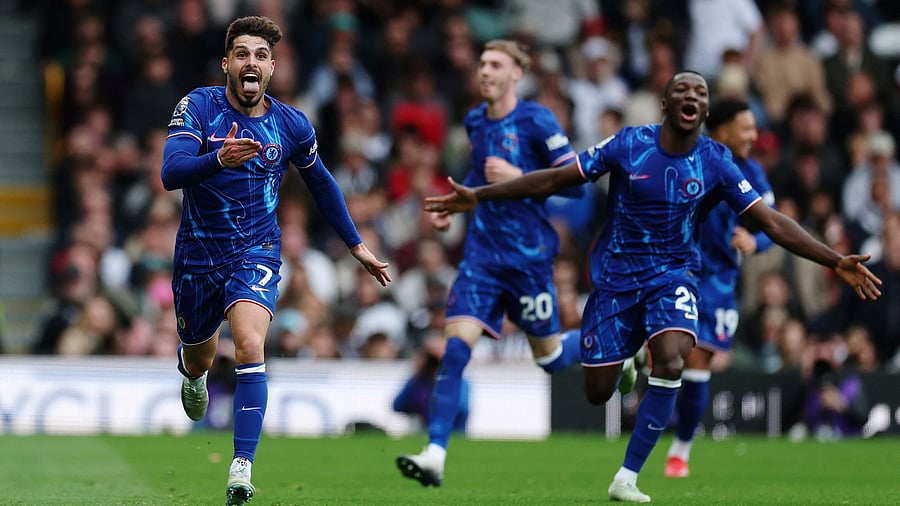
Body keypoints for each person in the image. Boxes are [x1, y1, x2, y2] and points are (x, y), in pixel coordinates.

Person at [423, 71, 882, 503]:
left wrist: (835, 258)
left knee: (674, 357)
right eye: (683, 91)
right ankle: (629, 357)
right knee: (597, 391)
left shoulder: (716, 161)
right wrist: (480, 194)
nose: (692, 98)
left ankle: (627, 476)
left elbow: (772, 222)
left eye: (701, 94)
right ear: (665, 104)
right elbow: (560, 177)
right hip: (615, 282)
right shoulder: (629, 144)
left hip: (674, 276)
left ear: (704, 113)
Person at [160, 16, 390, 506]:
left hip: (256, 251)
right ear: (227, 63)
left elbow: (322, 183)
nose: (251, 63)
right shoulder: (198, 107)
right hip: (198, 258)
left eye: (261, 56)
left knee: (248, 343)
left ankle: (241, 466)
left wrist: (354, 244)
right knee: (200, 352)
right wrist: (219, 160)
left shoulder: (291, 124)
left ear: (272, 67)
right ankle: (193, 370)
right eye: (242, 54)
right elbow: (170, 172)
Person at [395, 39, 589, 488]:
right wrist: (455, 204)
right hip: (482, 258)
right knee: (454, 351)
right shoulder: (475, 120)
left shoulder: (538, 120)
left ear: (516, 73)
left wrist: (520, 179)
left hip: (528, 262)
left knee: (553, 359)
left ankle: (621, 344)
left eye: (495, 64)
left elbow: (577, 185)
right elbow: (481, 179)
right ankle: (435, 454)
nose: (484, 71)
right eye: (482, 63)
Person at [662, 98, 775, 479]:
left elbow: (771, 226)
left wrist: (754, 242)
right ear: (723, 130)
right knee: (671, 356)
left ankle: (680, 451)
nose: (754, 135)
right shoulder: (692, 160)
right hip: (680, 271)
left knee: (696, 366)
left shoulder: (753, 173)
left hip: (721, 285)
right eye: (746, 128)